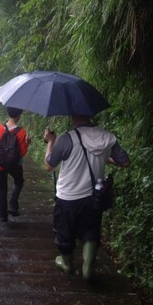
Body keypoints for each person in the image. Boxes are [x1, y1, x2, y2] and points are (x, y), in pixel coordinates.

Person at [43, 115, 130, 281]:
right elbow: (125, 162)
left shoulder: (66, 138)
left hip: (67, 198)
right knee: (90, 230)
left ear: (72, 115)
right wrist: (103, 157)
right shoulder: (108, 137)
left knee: (64, 233)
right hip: (93, 197)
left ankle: (67, 264)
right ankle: (88, 267)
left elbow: (49, 165)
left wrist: (50, 142)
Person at [0, 107, 30, 222]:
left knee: (1, 188)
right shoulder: (21, 132)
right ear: (19, 116)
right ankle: (12, 203)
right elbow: (22, 153)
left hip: (0, 163)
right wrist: (27, 143)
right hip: (14, 164)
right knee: (19, 181)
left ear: (8, 113)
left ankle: (3, 215)